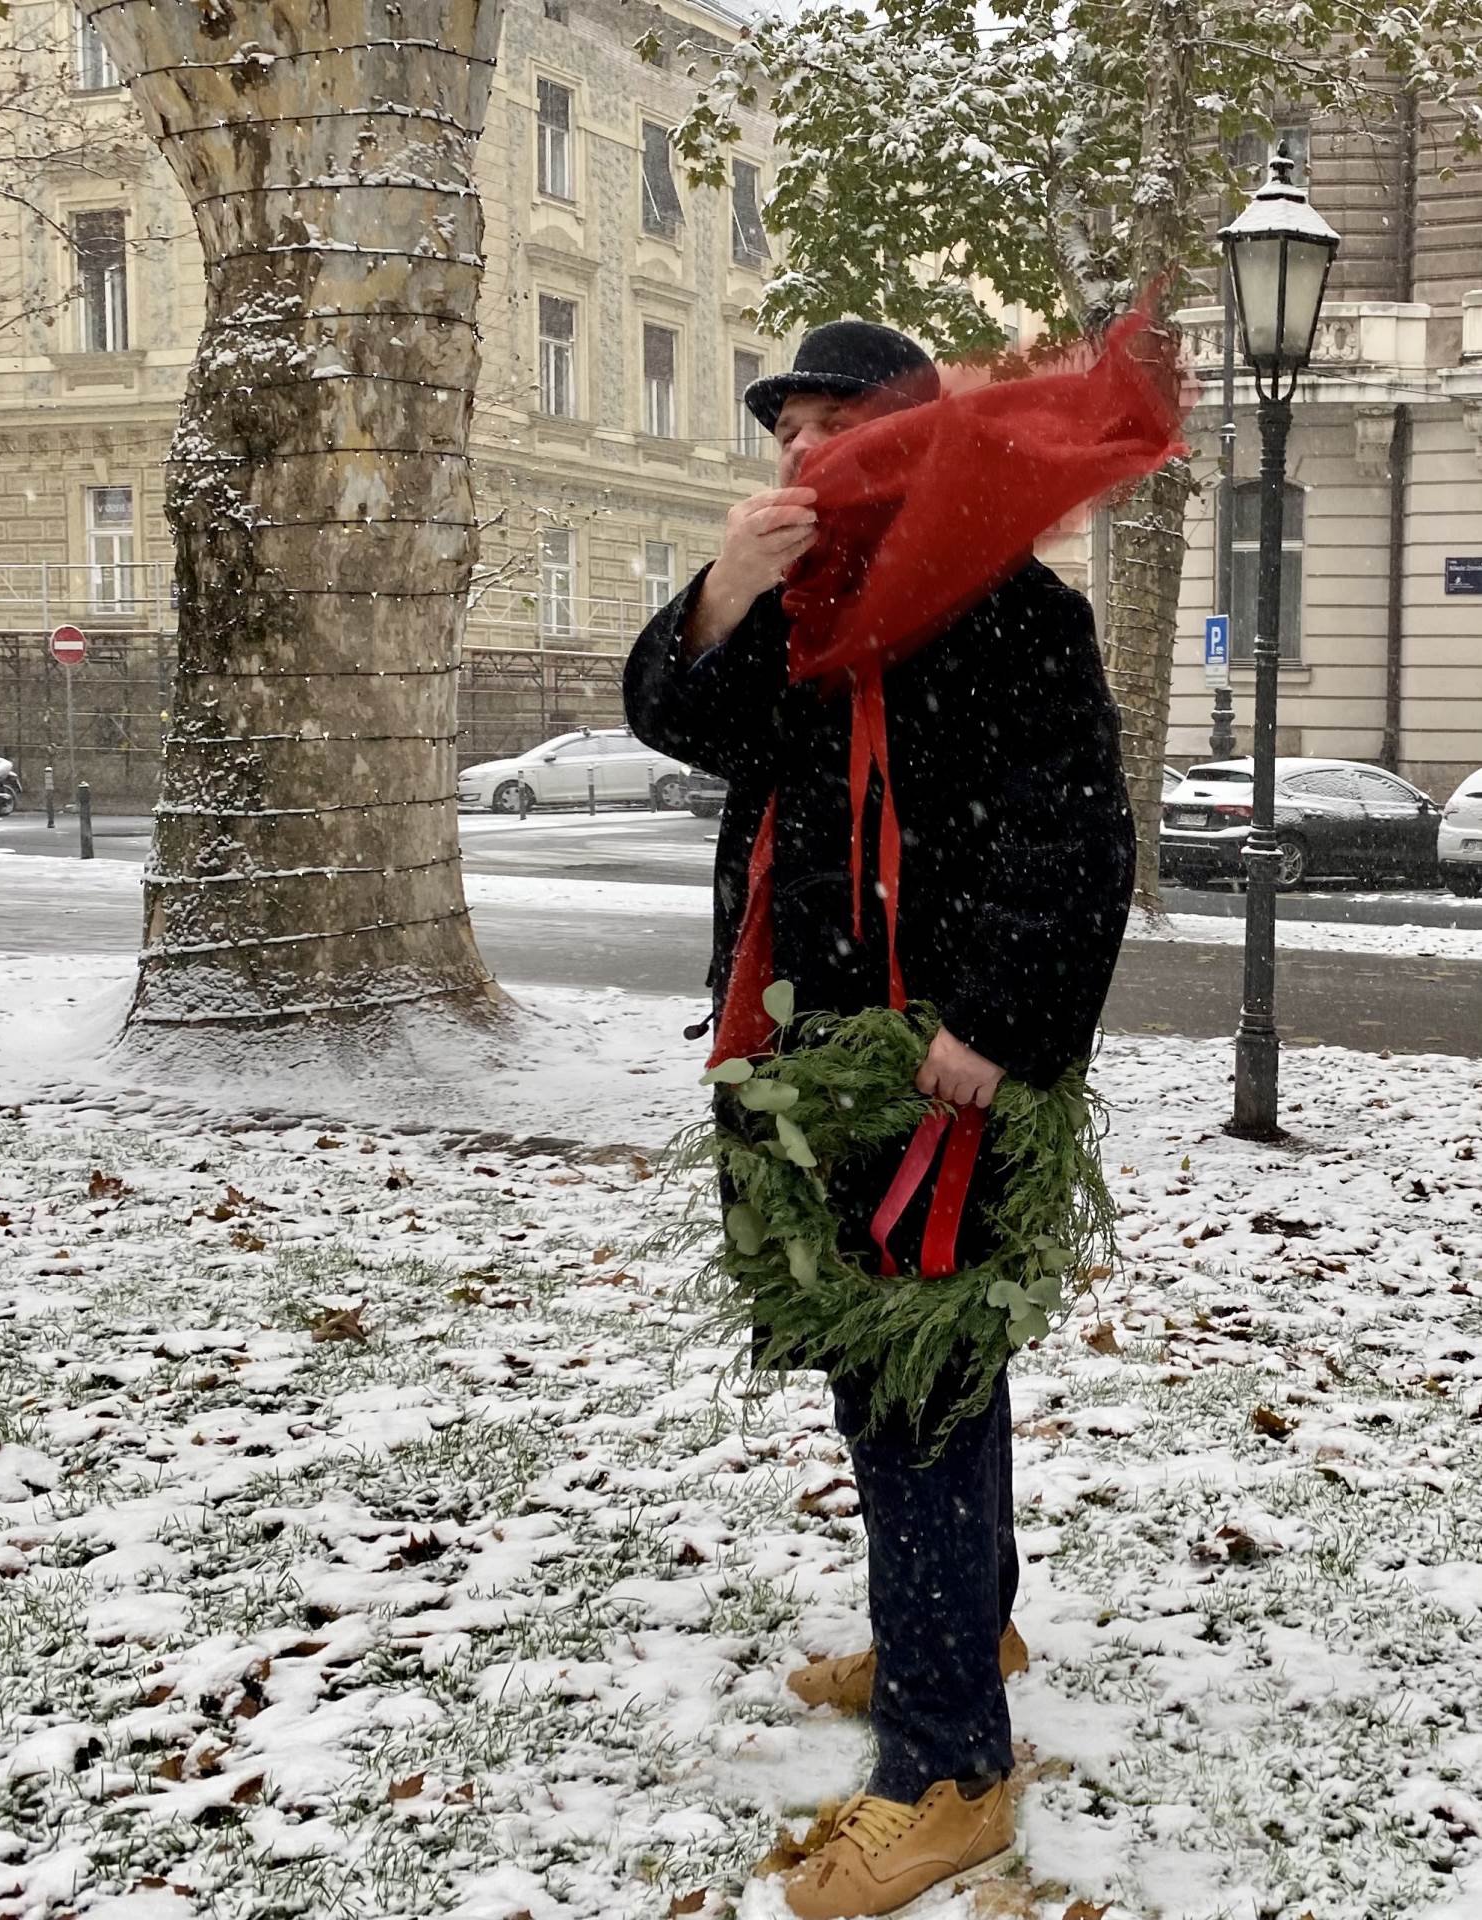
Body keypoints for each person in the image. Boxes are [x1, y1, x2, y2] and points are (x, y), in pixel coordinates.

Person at [624, 321, 1136, 1918]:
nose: (805, 450)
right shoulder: (804, 606)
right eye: (790, 426)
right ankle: (958, 1627)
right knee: (896, 1372)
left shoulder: (1012, 608)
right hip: (813, 1059)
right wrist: (725, 593)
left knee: (918, 1384)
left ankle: (946, 1771)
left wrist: (996, 1029)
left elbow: (1079, 842)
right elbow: (680, 724)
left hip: (945, 1072)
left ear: (914, 442)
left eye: (841, 423)